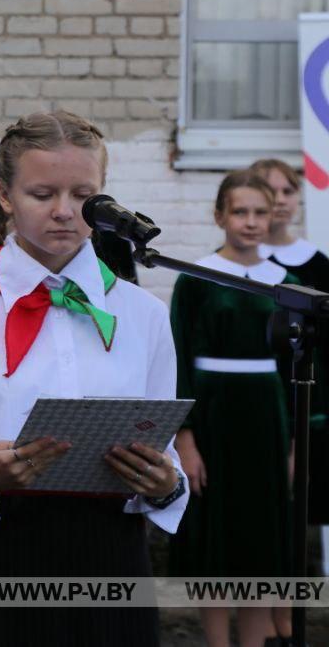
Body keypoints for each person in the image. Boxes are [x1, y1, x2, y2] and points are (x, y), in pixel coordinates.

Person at [0, 110, 186, 647]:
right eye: (41, 193)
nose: (64, 212)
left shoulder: (143, 313)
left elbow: (161, 449)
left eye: (83, 195)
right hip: (0, 549)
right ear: (4, 197)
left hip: (113, 555)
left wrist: (167, 484)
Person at [170, 169, 293, 647]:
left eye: (260, 212)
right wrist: (185, 439)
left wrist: (294, 444)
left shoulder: (287, 283)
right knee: (216, 538)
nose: (251, 222)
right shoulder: (196, 278)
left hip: (267, 417)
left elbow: (298, 370)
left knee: (261, 538)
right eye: (240, 211)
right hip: (213, 417)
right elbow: (177, 358)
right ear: (219, 215)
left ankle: (255, 642)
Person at [251, 157, 329, 575]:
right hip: (256, 399)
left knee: (301, 508)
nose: (278, 201)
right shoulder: (240, 263)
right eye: (268, 190)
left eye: (286, 191)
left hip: (305, 397)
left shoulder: (317, 265)